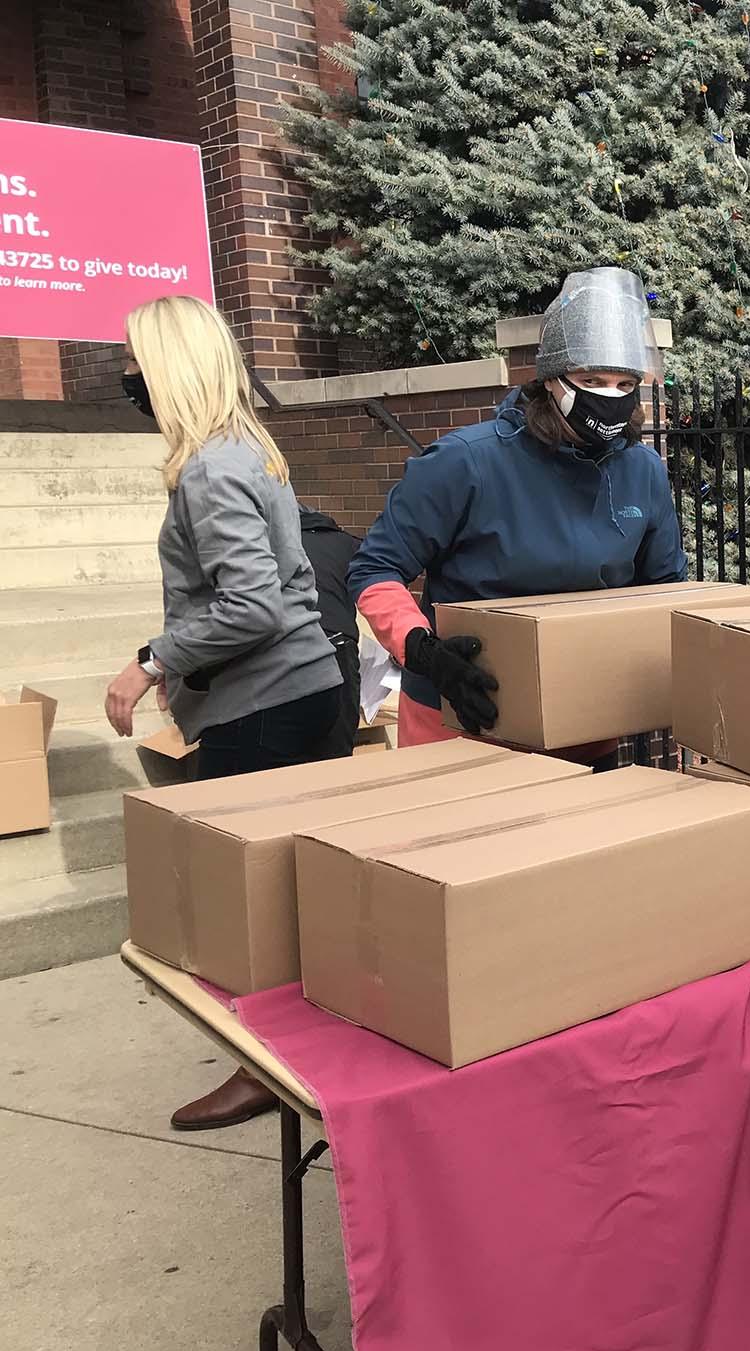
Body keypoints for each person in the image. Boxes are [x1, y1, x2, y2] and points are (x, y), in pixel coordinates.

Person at [103, 294, 348, 1132]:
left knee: (252, 903)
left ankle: (264, 1067)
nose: (126, 376)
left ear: (166, 368)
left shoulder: (210, 468)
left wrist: (151, 661)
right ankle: (306, 1053)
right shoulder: (251, 450)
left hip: (267, 707)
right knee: (304, 889)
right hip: (308, 691)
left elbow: (251, 607)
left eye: (133, 362)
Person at [347, 267, 685, 751]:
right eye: (592, 379)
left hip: (585, 720)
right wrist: (423, 650)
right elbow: (375, 568)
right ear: (551, 380)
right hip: (461, 715)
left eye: (624, 383)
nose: (610, 395)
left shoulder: (642, 471)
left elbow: (665, 590)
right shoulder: (466, 462)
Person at [299, 505, 363, 757]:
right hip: (339, 643)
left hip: (291, 645)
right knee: (337, 744)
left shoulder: (277, 543)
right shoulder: (349, 544)